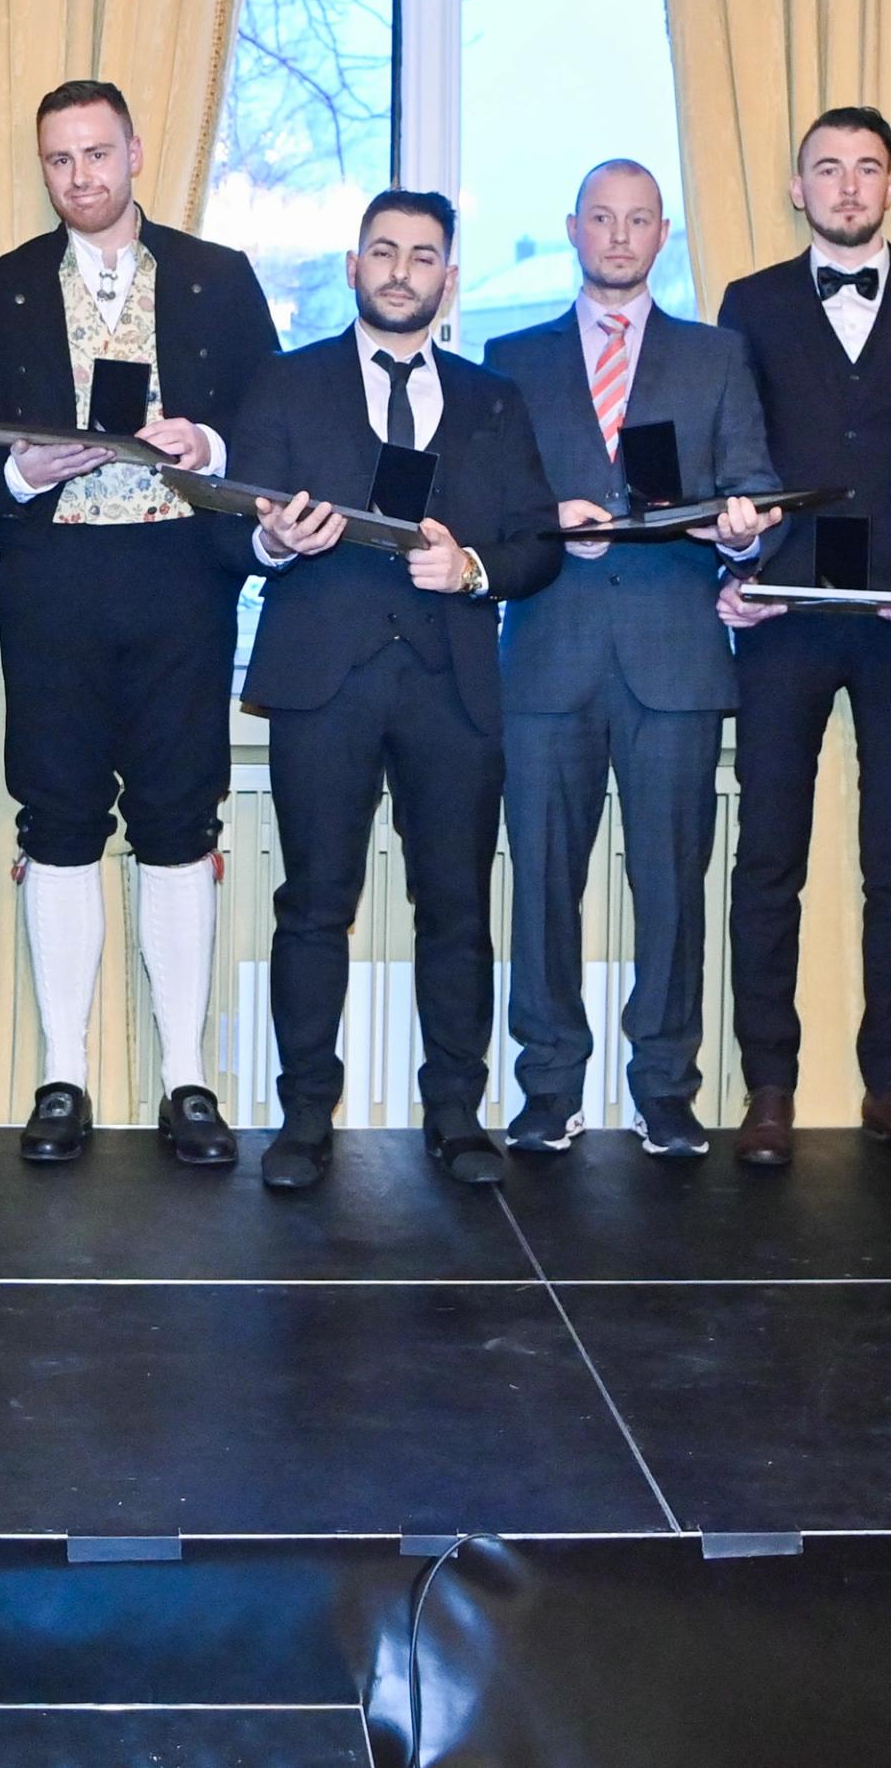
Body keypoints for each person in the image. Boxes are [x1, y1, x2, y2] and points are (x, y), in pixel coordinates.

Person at [0, 80, 277, 1168]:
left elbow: (275, 425)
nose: (79, 176)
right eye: (59, 159)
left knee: (180, 820)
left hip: (182, 579)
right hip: (55, 585)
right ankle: (63, 1076)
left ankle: (186, 1077)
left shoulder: (220, 278)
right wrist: (22, 471)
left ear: (135, 151)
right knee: (57, 820)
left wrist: (209, 448)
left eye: (96, 153)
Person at [227, 190, 562, 1192]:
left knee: (456, 906)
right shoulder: (284, 383)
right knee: (312, 904)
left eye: (422, 256)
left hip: (450, 687)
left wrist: (472, 569)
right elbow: (228, 531)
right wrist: (270, 541)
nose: (401, 270)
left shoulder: (494, 398)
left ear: (448, 279)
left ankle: (456, 1112)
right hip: (321, 680)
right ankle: (303, 1116)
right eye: (383, 250)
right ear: (352, 265)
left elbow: (539, 544)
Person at [714, 107, 891, 1168]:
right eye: (827, 168)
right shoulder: (750, 302)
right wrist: (736, 571)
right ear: (798, 188)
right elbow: (731, 455)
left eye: (866, 168)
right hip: (784, 611)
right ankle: (768, 1086)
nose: (846, 185)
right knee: (767, 858)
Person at [491, 159, 780, 1157]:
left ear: (664, 234)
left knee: (673, 887)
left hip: (675, 656)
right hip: (547, 654)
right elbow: (485, 504)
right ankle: (546, 1085)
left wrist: (742, 533)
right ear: (572, 228)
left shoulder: (717, 356)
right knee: (541, 885)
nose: (619, 236)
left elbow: (757, 492)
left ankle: (666, 1088)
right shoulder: (510, 357)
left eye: (639, 220)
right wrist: (547, 522)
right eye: (602, 218)